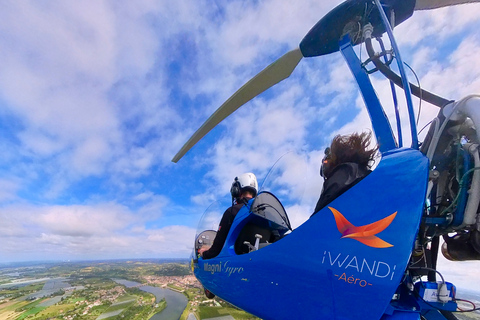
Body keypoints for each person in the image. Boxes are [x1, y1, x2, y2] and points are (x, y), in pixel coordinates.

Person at [312, 132, 378, 216]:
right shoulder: (361, 173)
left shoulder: (344, 173)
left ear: (334, 158)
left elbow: (322, 216)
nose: (324, 163)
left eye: (325, 160)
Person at [198, 172, 258, 259]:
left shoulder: (232, 212)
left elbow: (216, 251)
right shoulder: (264, 214)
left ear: (236, 191)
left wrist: (204, 253)